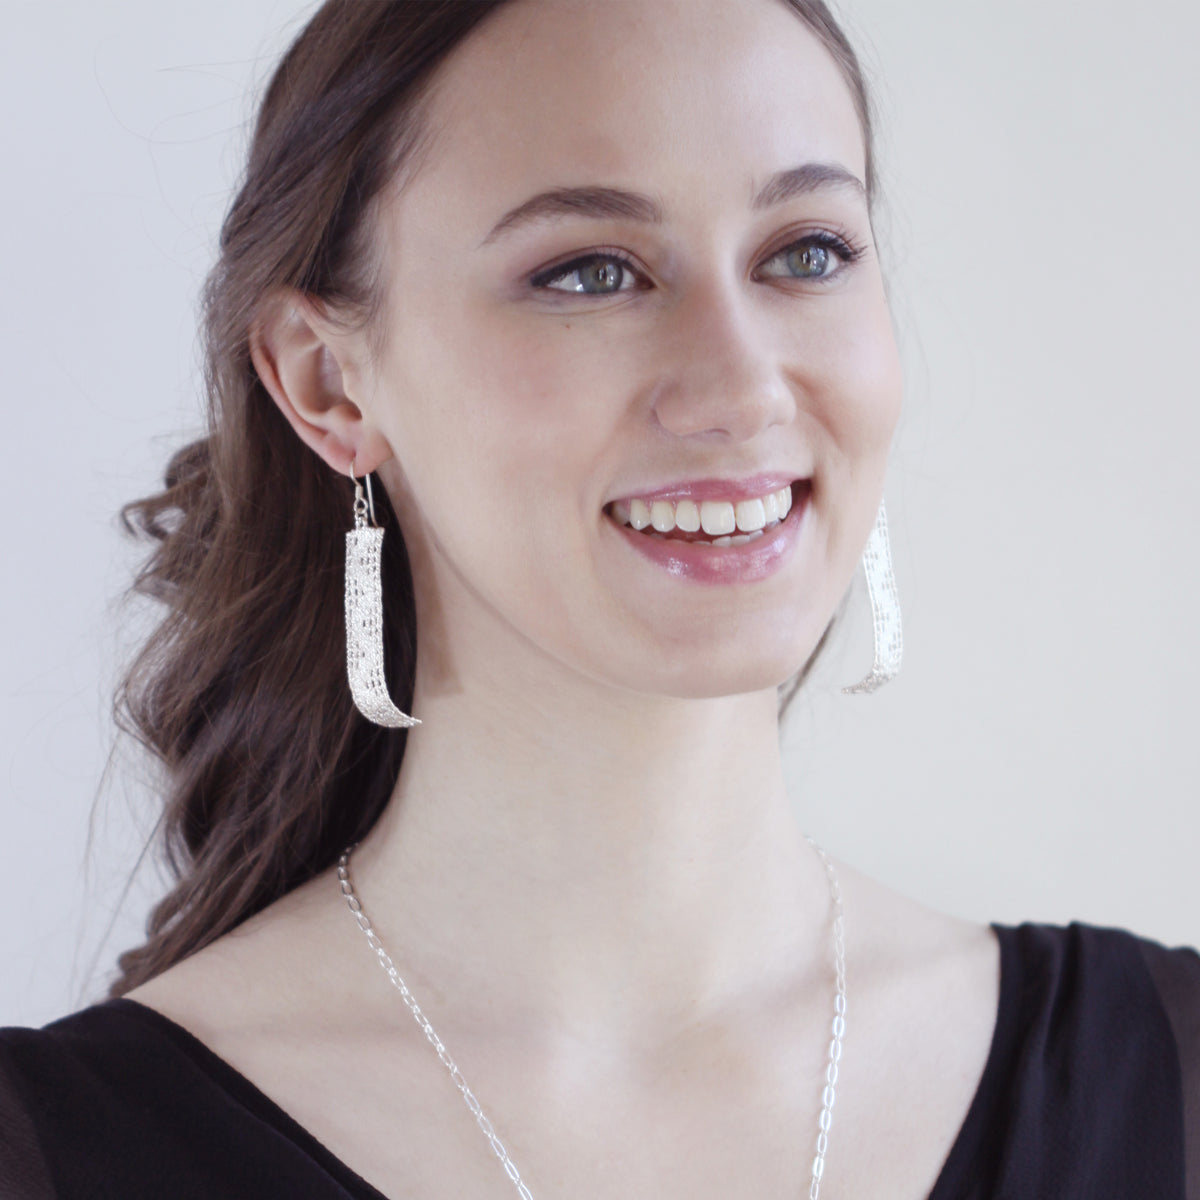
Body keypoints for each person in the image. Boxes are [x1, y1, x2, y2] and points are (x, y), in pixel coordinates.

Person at [1, 1, 1196, 1197]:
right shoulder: (57, 1148)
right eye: (589, 272)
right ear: (329, 384)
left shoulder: (1171, 1079)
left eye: (807, 252)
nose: (740, 386)